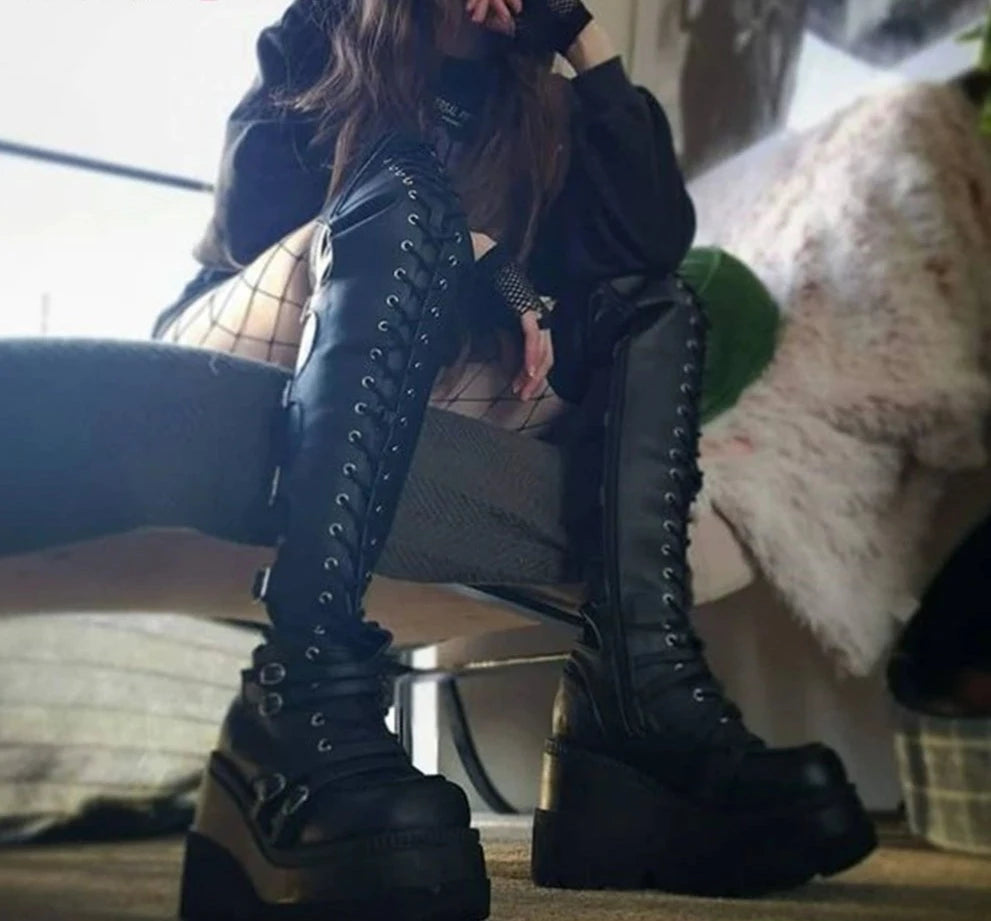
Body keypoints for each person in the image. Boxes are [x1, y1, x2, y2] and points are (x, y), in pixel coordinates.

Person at [156, 2, 876, 918]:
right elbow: (255, 217)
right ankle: (300, 695)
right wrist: (474, 251)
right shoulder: (330, 27)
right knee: (403, 193)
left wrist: (585, 46)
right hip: (256, 325)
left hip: (421, 363)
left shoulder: (539, 102)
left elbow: (651, 244)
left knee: (652, 311)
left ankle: (635, 712)